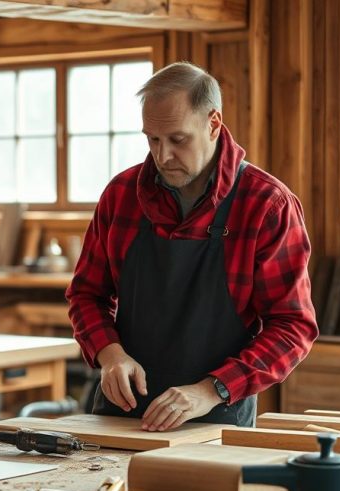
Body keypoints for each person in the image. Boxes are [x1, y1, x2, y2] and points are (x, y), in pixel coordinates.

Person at [66, 62, 318, 431]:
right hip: (122, 415)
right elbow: (86, 295)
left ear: (213, 123)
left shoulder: (266, 204)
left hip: (215, 416)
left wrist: (211, 389)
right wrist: (111, 355)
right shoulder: (122, 195)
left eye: (177, 139)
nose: (162, 156)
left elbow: (292, 327)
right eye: (152, 139)